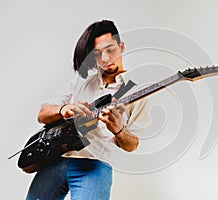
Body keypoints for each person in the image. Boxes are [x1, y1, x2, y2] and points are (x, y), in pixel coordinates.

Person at [26, 20, 150, 200]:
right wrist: (64, 109)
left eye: (110, 50)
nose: (105, 59)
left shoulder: (135, 91)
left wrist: (118, 130)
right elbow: (42, 114)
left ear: (121, 47)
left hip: (94, 167)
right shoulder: (82, 80)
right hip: (55, 159)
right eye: (98, 54)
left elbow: (133, 144)